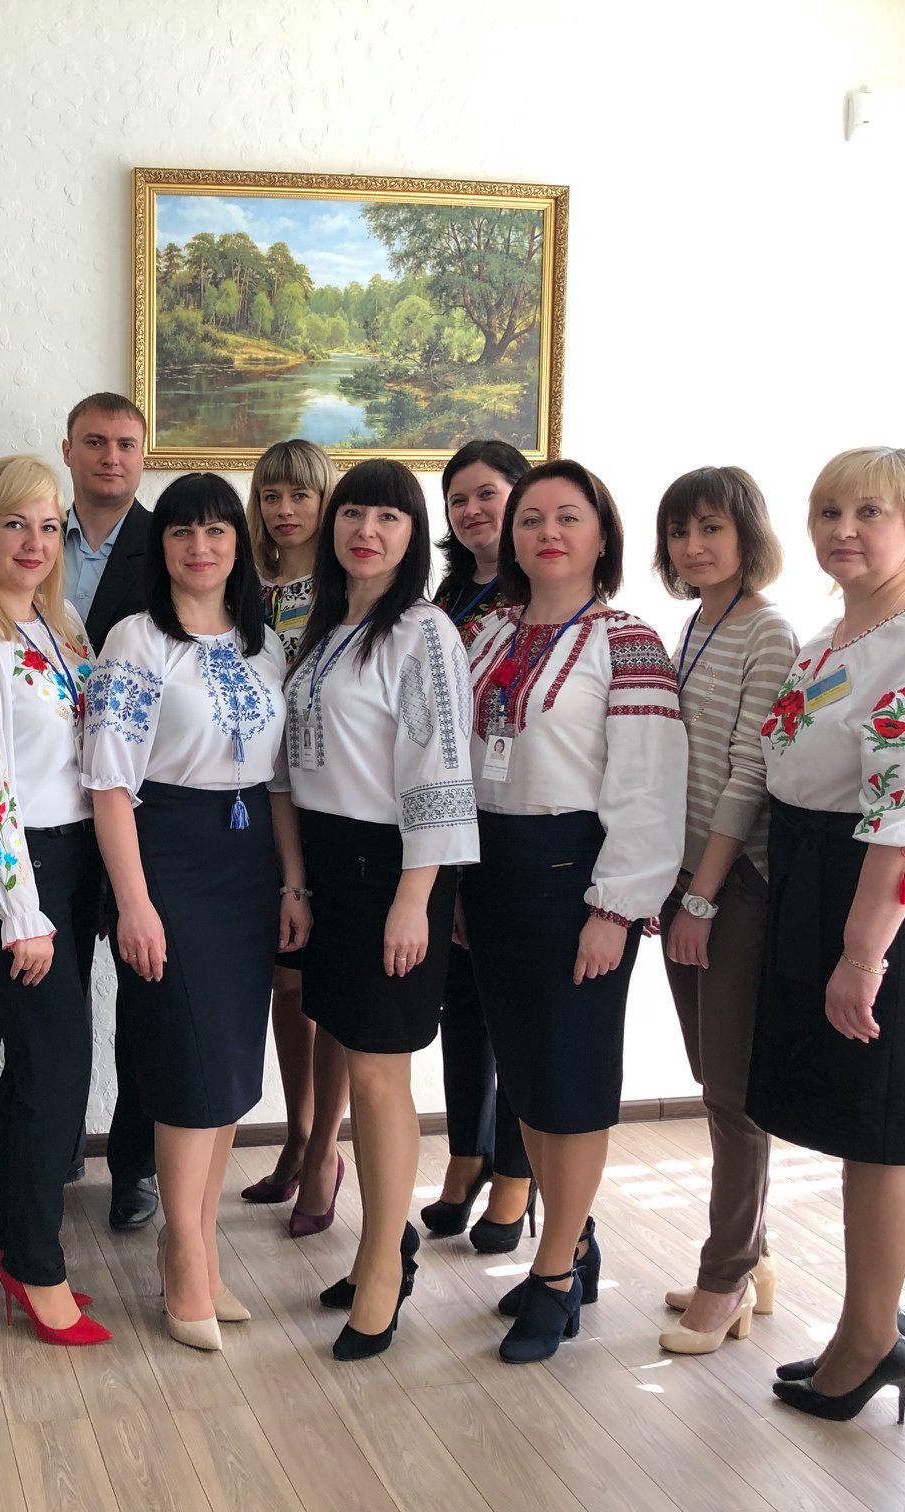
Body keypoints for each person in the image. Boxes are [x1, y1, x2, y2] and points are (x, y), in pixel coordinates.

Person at [749, 448, 905, 1422]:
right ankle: (874, 1319)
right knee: (851, 1121)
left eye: (868, 511)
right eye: (827, 510)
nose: (842, 528)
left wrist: (861, 955)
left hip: (884, 902)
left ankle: (870, 1341)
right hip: (819, 880)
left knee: (879, 1136)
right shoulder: (839, 632)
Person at [461, 459, 686, 1363]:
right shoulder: (484, 633)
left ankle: (553, 1276)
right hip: (490, 871)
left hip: (577, 882)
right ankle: (574, 1244)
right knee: (525, 1076)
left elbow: (649, 788)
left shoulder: (627, 643)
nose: (547, 532)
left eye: (567, 517)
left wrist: (617, 909)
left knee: (573, 1081)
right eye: (530, 519)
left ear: (602, 536)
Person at [84, 474, 309, 1351]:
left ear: (238, 544)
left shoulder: (263, 644)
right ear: (163, 546)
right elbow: (109, 784)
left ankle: (202, 1248)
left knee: (229, 1067)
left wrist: (293, 884)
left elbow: (279, 780)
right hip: (167, 858)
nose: (200, 546)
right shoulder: (136, 641)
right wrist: (133, 903)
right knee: (186, 1063)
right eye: (183, 531)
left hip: (248, 863)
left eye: (217, 531)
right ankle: (183, 1257)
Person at [281, 458, 479, 1361]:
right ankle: (378, 1247)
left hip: (393, 871)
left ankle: (383, 1278)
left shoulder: (424, 631)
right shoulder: (324, 627)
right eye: (354, 513)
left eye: (390, 517)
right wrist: (296, 883)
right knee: (350, 1060)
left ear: (413, 535)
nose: (368, 531)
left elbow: (441, 770)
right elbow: (294, 768)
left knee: (376, 1078)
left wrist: (413, 900)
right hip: (330, 868)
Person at [0, 454, 111, 1347]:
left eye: (47, 526)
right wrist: (21, 911)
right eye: (14, 524)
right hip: (10, 864)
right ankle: (38, 1266)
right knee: (56, 1064)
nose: (34, 543)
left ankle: (9, 1232)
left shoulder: (57, 624)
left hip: (71, 861)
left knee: (44, 1062)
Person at [647, 467, 799, 1353]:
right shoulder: (699, 622)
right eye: (679, 531)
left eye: (710, 528)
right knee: (714, 1076)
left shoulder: (767, 630)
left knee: (734, 1095)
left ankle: (725, 1275)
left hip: (730, 884)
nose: (693, 546)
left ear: (747, 533)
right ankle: (757, 1259)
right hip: (685, 878)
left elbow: (748, 775)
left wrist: (702, 894)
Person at [422, 439, 536, 1251]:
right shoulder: (451, 594)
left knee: (518, 1010)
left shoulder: (547, 594)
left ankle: (517, 1176)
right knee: (461, 1002)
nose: (471, 511)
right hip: (452, 817)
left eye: (486, 494)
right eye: (457, 499)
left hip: (520, 820)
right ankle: (467, 1154)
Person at [239, 439, 349, 1239]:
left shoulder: (346, 588)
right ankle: (297, 1130)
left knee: (330, 987)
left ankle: (325, 1150)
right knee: (284, 980)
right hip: (258, 800)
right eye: (272, 495)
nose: (285, 510)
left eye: (301, 495)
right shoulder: (244, 585)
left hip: (330, 800)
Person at [59, 391, 158, 1229]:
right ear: (69, 451)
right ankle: (51, 1146)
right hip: (50, 804)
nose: (111, 457)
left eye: (126, 443)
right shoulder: (26, 536)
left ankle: (136, 1166)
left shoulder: (173, 545)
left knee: (144, 1001)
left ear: (143, 453)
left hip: (137, 805)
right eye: (95, 442)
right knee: (51, 997)